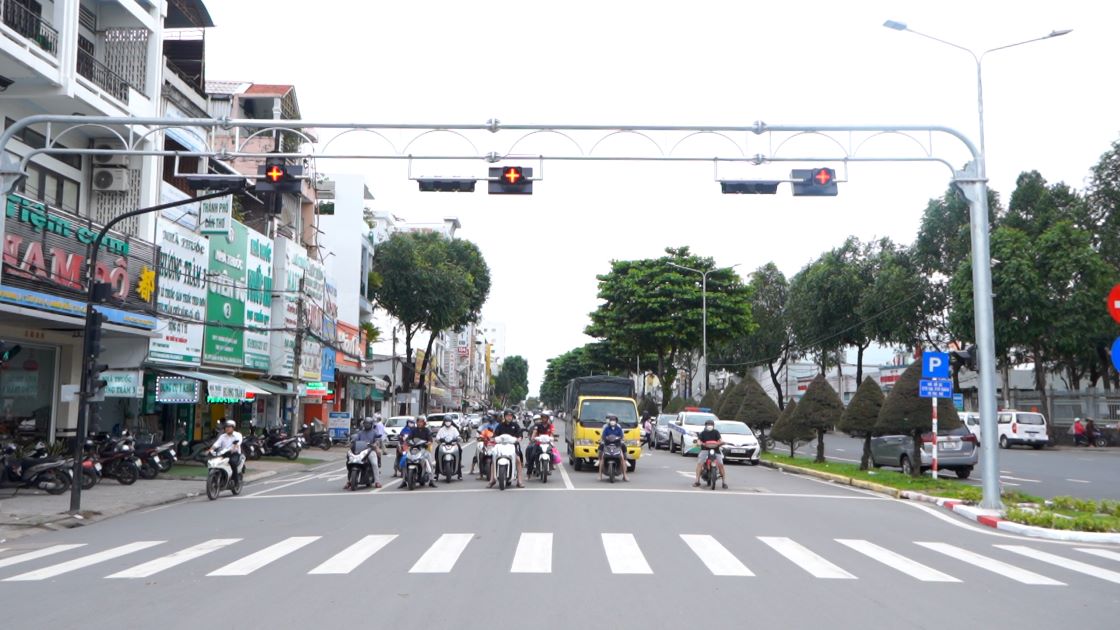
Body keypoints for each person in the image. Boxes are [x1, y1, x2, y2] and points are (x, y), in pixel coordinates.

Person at [490, 409, 525, 487]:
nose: (509, 417)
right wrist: (492, 439)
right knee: (493, 459)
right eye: (507, 416)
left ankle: (519, 481)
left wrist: (519, 438)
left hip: (512, 446)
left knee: (518, 460)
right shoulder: (500, 425)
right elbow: (495, 435)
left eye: (510, 416)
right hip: (501, 446)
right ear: (504, 417)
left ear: (512, 417)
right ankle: (492, 479)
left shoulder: (515, 425)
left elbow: (520, 435)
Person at [346, 418, 382, 489]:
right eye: (365, 423)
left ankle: (377, 482)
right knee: (351, 462)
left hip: (370, 450)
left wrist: (375, 443)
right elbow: (355, 439)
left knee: (374, 463)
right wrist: (351, 442)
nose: (366, 425)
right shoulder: (360, 432)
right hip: (360, 451)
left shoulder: (374, 432)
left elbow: (377, 440)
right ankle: (348, 481)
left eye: (368, 423)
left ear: (371, 424)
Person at [693, 418, 727, 489]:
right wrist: (700, 443)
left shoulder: (716, 432)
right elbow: (699, 440)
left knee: (721, 464)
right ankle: (697, 481)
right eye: (708, 425)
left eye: (711, 425)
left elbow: (720, 440)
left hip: (716, 450)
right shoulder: (703, 433)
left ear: (713, 426)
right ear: (705, 426)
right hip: (704, 450)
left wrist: (721, 442)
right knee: (700, 463)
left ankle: (724, 482)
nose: (710, 426)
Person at [208, 419, 243, 484]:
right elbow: (216, 444)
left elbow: (238, 443)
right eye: (226, 427)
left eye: (229, 427)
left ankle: (235, 480)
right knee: (213, 463)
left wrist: (234, 447)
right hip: (224, 454)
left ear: (233, 427)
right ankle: (213, 479)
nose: (227, 428)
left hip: (234, 454)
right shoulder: (222, 436)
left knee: (232, 462)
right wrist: (210, 449)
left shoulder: (238, 435)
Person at [598, 414, 629, 482]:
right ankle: (600, 475)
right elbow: (603, 436)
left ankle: (624, 475)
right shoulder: (606, 428)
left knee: (622, 457)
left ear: (616, 421)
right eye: (611, 420)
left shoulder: (619, 428)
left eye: (614, 420)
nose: (612, 421)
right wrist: (606, 438)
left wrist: (618, 438)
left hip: (617, 445)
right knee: (602, 458)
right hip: (607, 445)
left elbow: (622, 436)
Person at [525, 411, 555, 477]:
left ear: (547, 418)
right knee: (532, 456)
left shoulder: (550, 425)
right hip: (538, 443)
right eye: (543, 417)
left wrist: (552, 439)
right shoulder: (537, 425)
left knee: (552, 454)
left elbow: (552, 434)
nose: (544, 419)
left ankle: (550, 467)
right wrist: (533, 438)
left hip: (547, 443)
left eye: (545, 417)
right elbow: (534, 432)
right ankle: (529, 473)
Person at [410, 417, 437, 487]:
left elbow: (430, 440)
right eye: (418, 422)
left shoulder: (427, 430)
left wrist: (428, 442)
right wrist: (408, 441)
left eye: (421, 422)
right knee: (405, 460)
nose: (419, 423)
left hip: (424, 449)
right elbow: (409, 438)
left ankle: (431, 480)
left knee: (430, 463)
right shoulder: (413, 430)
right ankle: (404, 480)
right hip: (414, 449)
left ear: (424, 423)